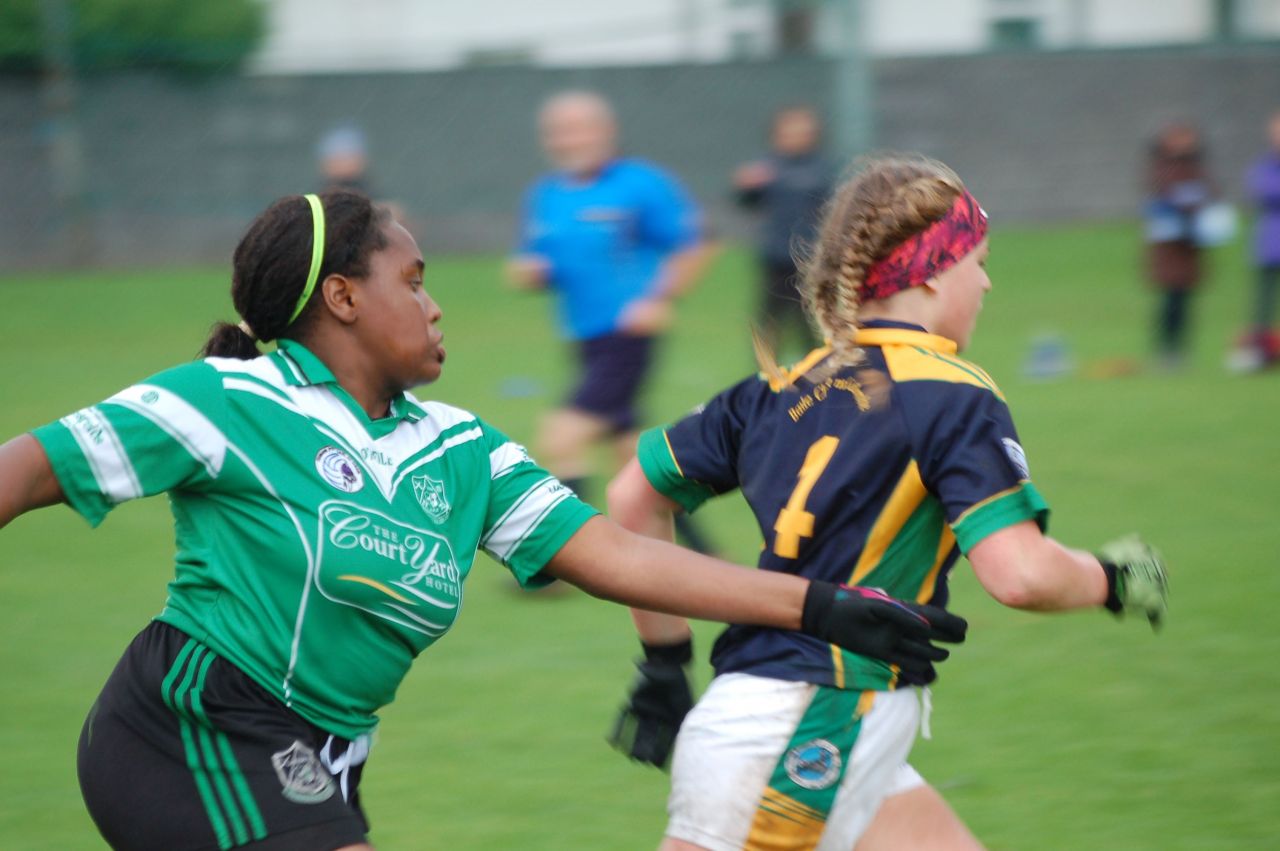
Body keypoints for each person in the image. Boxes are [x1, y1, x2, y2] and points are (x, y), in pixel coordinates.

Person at [0, 189, 967, 851]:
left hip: (319, 762)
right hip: (194, 728)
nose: (433, 304)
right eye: (411, 280)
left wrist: (821, 605)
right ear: (341, 297)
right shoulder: (227, 400)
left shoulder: (460, 447)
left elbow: (616, 554)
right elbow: (21, 473)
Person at [606, 155, 1169, 851]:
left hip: (810, 723)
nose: (988, 282)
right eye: (980, 262)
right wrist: (1112, 577)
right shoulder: (952, 391)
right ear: (932, 270)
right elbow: (1019, 573)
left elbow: (634, 492)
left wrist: (663, 661)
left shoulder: (779, 385)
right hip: (809, 726)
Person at [507, 89, 717, 553]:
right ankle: (705, 556)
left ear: (606, 132)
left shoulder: (640, 184)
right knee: (632, 463)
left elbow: (693, 243)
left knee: (561, 438)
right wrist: (531, 271)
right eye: (559, 131)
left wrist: (659, 298)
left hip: (627, 338)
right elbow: (534, 258)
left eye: (579, 128)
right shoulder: (546, 195)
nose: (569, 139)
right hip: (584, 340)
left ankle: (560, 564)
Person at [733, 105, 835, 357]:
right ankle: (766, 378)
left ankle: (819, 379)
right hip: (775, 258)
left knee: (811, 324)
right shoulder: (767, 168)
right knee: (769, 323)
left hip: (811, 260)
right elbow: (746, 202)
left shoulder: (823, 169)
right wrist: (746, 186)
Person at [1143, 122, 1217, 369]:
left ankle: (1181, 351)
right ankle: (1166, 351)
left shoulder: (1195, 167)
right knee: (1169, 301)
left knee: (1185, 300)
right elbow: (1161, 195)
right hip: (1169, 244)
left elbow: (1211, 192)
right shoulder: (1162, 167)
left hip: (1189, 243)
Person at [1235, 109, 1280, 371]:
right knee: (1263, 304)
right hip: (1270, 244)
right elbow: (1262, 189)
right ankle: (1259, 355)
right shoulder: (1264, 165)